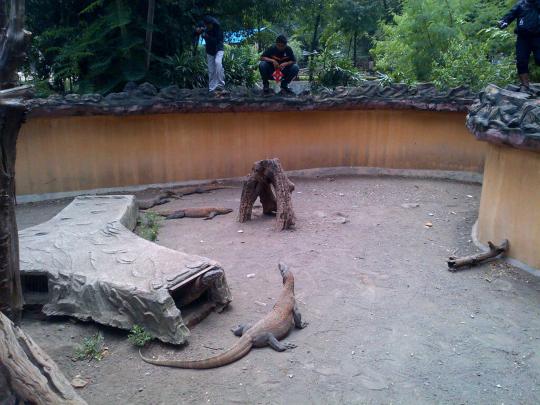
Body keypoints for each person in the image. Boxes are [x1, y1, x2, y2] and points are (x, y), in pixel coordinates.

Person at [499, 0, 540, 91]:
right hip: (523, 38)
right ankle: (525, 85)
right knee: (521, 60)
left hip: (537, 37)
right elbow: (510, 15)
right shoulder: (520, 4)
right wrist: (504, 21)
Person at [195, 16, 225, 93]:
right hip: (209, 51)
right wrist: (197, 31)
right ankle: (212, 88)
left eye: (209, 25)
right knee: (211, 70)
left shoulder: (218, 29)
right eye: (207, 25)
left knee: (218, 63)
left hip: (218, 49)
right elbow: (195, 33)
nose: (208, 26)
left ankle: (221, 85)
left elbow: (216, 41)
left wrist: (207, 37)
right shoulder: (203, 26)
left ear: (212, 23)